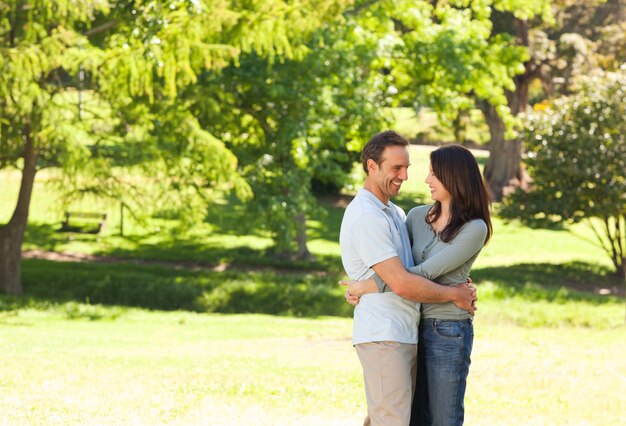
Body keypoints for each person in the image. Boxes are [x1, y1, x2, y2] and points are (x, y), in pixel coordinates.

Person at [343, 144, 492, 426]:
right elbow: (395, 268)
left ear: (455, 177)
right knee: (408, 417)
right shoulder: (414, 217)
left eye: (434, 174)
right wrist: (366, 284)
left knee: (443, 418)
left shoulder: (474, 227)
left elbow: (422, 272)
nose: (425, 180)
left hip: (448, 329)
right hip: (410, 326)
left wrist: (366, 286)